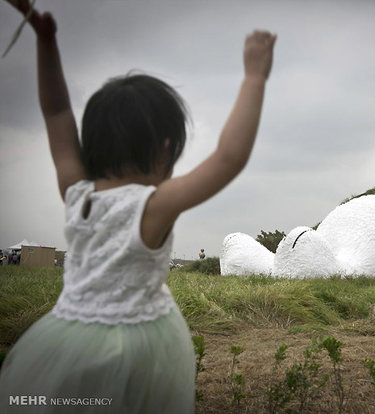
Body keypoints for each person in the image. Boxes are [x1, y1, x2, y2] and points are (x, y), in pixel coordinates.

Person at [0, 1, 276, 413]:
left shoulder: (76, 192)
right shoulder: (152, 206)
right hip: (137, 349)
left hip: (63, 337)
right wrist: (255, 77)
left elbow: (56, 112)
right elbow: (228, 158)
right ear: (165, 150)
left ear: (92, 145)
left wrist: (45, 40)